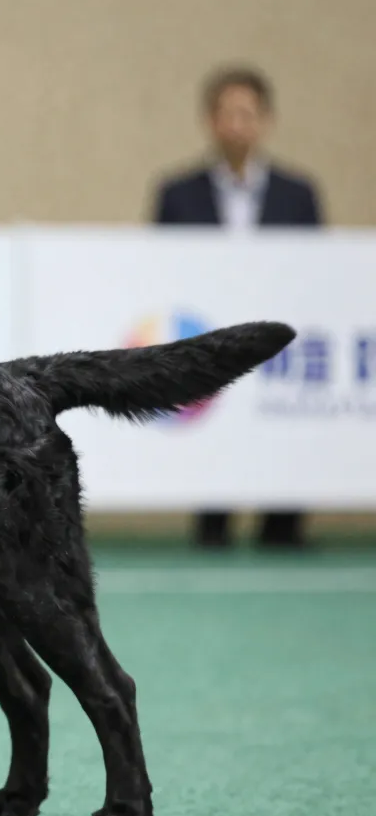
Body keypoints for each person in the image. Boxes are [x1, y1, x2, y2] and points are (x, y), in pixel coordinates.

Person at [151, 64, 323, 548]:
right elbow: (157, 268)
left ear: (265, 120)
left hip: (281, 338)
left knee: (284, 427)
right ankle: (213, 526)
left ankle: (283, 528)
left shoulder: (298, 195)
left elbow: (319, 269)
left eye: (247, 114)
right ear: (210, 120)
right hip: (211, 336)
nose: (237, 124)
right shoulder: (178, 195)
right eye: (227, 114)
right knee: (213, 423)